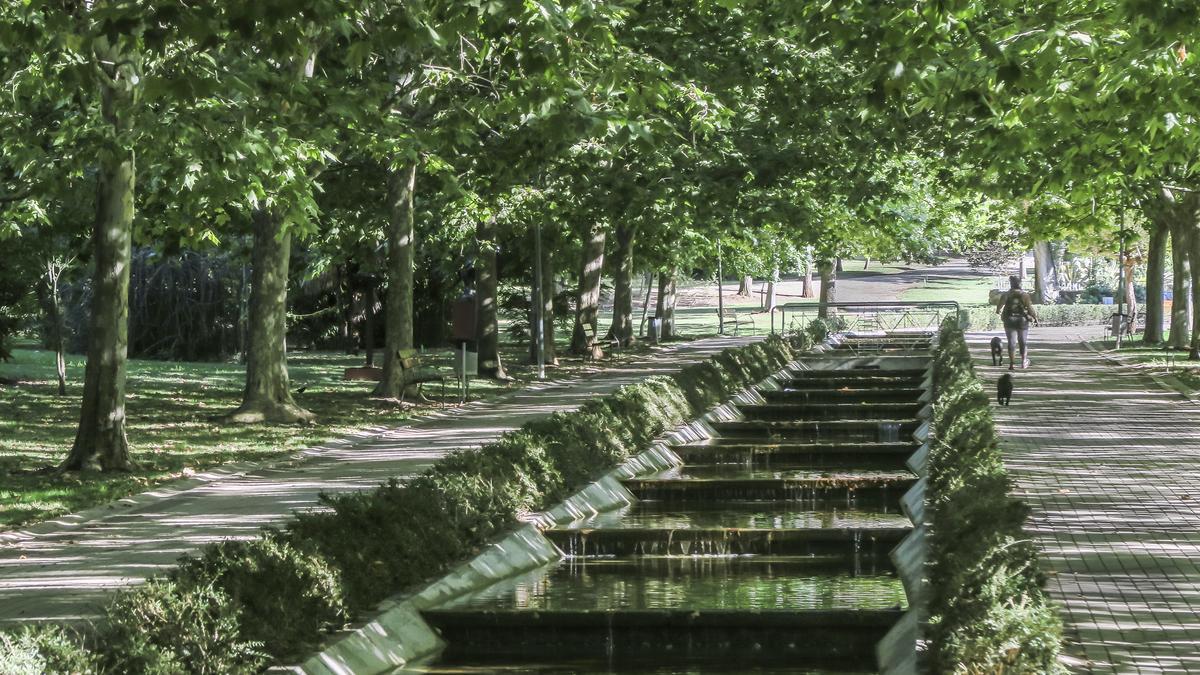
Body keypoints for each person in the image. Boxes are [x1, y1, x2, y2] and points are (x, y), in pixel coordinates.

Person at [996, 275, 1038, 370]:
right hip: (1022, 320)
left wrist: (999, 311)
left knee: (1011, 342)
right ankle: (1024, 362)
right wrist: (1035, 317)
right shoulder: (1025, 295)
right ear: (1019, 284)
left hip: (1009, 320)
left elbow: (998, 308)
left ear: (1011, 284)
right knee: (1022, 341)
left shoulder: (1006, 295)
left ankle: (1011, 364)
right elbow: (1030, 308)